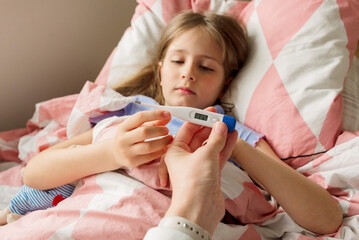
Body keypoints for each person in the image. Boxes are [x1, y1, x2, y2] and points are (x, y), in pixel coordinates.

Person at [22, 10, 342, 236]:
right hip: (89, 216)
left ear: (226, 81)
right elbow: (34, 173)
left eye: (206, 67)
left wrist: (236, 146)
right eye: (178, 61)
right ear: (160, 68)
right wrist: (112, 153)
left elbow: (326, 219)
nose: (188, 72)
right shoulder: (127, 112)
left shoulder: (238, 135)